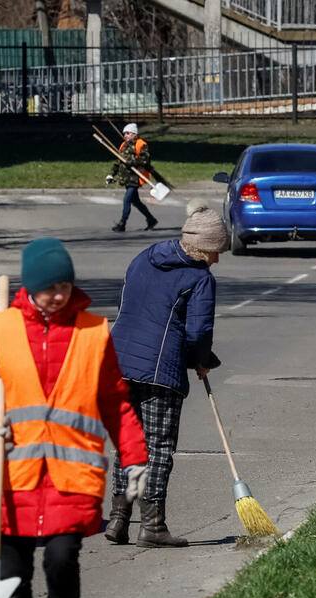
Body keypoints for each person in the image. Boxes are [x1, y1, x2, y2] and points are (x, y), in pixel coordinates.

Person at [0, 238, 148, 598]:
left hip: (70, 478)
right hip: (11, 477)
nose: (58, 295)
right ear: (30, 287)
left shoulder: (93, 333)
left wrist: (135, 456)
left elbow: (115, 403)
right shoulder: (0, 329)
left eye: (64, 286)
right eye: (49, 288)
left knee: (62, 561)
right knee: (11, 578)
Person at [108, 200, 228, 547]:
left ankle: (118, 519)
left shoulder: (145, 257)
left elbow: (126, 302)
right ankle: (152, 526)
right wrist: (201, 360)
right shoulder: (200, 278)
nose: (217, 259)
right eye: (216, 251)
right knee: (158, 447)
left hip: (118, 362)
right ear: (204, 246)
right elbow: (198, 332)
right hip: (161, 370)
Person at [107, 123, 158, 233]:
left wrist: (132, 162)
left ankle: (122, 223)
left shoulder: (141, 144)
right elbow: (119, 162)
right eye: (124, 133)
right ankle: (151, 219)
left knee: (127, 200)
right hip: (126, 179)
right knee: (136, 202)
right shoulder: (123, 145)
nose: (125, 135)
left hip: (136, 178)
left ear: (134, 134)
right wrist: (111, 174)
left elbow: (145, 160)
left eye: (128, 133)